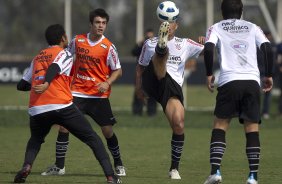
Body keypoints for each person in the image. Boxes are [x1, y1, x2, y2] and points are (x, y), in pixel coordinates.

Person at [14, 24, 121, 184]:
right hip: (60, 105)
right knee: (93, 139)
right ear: (63, 38)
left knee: (35, 140)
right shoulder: (64, 54)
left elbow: (21, 85)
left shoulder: (37, 57)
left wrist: (39, 83)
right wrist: (47, 83)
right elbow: (55, 67)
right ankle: (111, 177)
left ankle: (27, 166)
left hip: (37, 109)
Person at [40, 9, 126, 177]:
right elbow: (64, 56)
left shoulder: (108, 47)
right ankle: (59, 166)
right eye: (97, 22)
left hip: (98, 97)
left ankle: (118, 163)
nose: (101, 26)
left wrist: (107, 82)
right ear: (91, 24)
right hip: (77, 93)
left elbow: (118, 71)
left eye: (103, 23)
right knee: (64, 127)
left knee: (107, 131)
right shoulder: (77, 41)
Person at [202, 0, 273, 184]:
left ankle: (216, 172)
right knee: (252, 129)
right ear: (241, 11)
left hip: (229, 81)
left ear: (222, 11)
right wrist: (269, 75)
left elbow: (208, 48)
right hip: (251, 81)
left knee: (220, 125)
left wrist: (209, 73)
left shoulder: (216, 27)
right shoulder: (252, 27)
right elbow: (267, 48)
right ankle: (253, 177)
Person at [135, 1, 204, 179]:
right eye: (165, 23)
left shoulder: (186, 44)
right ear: (162, 25)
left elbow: (208, 50)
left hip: (170, 89)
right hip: (153, 79)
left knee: (179, 124)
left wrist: (206, 41)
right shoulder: (148, 43)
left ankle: (174, 169)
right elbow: (140, 68)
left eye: (171, 23)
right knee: (160, 54)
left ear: (176, 25)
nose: (168, 26)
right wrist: (139, 89)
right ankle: (162, 47)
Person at [131, 28, 157, 116]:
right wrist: (140, 44)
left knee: (152, 93)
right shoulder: (142, 45)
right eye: (147, 36)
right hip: (141, 72)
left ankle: (151, 112)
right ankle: (137, 112)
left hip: (153, 72)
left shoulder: (156, 45)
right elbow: (134, 52)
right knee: (139, 92)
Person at [257, 30, 276, 119]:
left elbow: (274, 62)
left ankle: (265, 112)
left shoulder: (273, 47)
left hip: (269, 75)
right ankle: (256, 112)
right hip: (260, 74)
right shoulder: (258, 47)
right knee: (257, 94)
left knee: (267, 95)